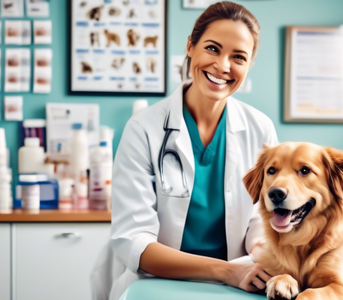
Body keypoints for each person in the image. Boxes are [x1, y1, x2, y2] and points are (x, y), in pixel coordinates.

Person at [91, 2, 278, 300]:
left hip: (240, 282)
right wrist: (227, 271)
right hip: (158, 282)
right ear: (190, 46)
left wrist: (265, 254)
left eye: (238, 57)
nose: (223, 66)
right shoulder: (143, 129)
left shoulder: (260, 129)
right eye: (213, 49)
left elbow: (260, 218)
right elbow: (134, 241)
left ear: (249, 65)